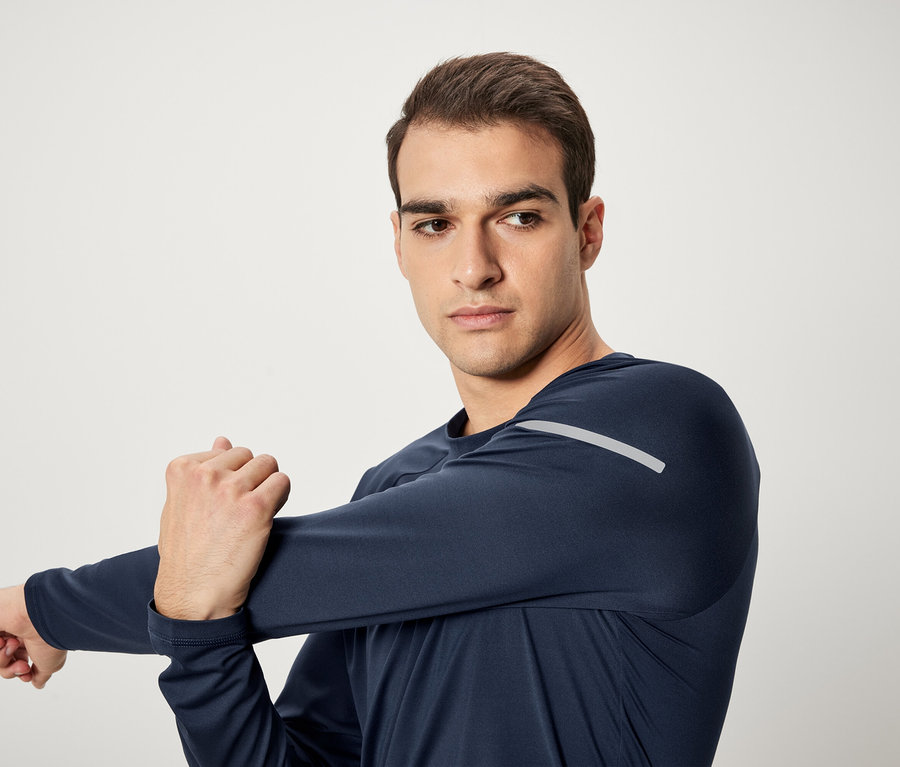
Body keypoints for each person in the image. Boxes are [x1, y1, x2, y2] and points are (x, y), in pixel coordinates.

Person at [0, 53, 759, 766]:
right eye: (435, 224)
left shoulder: (663, 427)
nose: (474, 268)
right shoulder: (399, 482)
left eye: (519, 216)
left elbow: (282, 575)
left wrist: (41, 607)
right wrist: (196, 633)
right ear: (399, 243)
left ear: (587, 232)